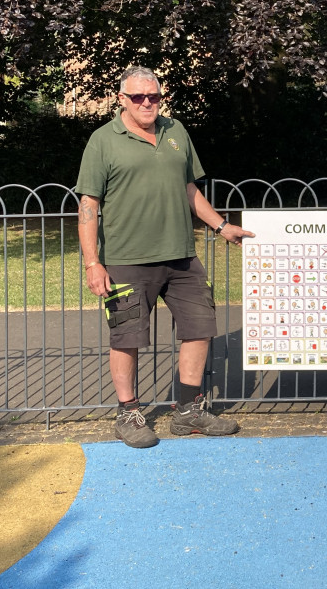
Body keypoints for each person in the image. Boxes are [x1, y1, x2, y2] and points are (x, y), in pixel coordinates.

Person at [76, 66, 254, 448]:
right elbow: (88, 204)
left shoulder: (176, 132)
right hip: (126, 259)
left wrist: (222, 227)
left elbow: (188, 188)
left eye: (153, 96)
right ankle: (128, 413)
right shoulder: (102, 140)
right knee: (127, 337)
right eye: (137, 97)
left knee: (200, 327)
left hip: (182, 256)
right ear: (121, 99)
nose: (146, 103)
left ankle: (187, 411)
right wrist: (93, 263)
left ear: (161, 97)